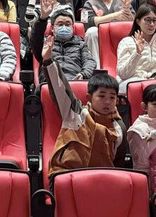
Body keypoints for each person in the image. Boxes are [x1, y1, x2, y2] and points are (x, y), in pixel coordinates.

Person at [42, 35, 127, 177]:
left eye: (112, 97)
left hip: (101, 178)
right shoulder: (75, 113)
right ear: (89, 97)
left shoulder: (119, 127)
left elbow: (118, 164)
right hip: (66, 173)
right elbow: (60, 87)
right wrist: (48, 61)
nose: (107, 101)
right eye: (102, 96)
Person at [30, 0, 96, 82]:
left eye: (68, 24)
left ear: (72, 28)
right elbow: (35, 39)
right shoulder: (46, 44)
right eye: (60, 24)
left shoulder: (80, 44)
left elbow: (89, 62)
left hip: (75, 80)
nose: (64, 27)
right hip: (50, 82)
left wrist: (84, 74)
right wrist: (43, 19)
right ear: (52, 28)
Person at [82, 0, 135, 67]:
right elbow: (85, 23)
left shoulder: (123, 2)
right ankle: (96, 68)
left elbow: (135, 23)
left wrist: (127, 10)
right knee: (91, 32)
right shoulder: (88, 3)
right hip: (100, 39)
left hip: (120, 36)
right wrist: (115, 15)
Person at [116, 5, 156, 92]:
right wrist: (137, 53)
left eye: (154, 20)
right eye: (147, 20)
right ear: (138, 21)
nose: (152, 24)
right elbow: (123, 74)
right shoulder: (126, 42)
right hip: (133, 84)